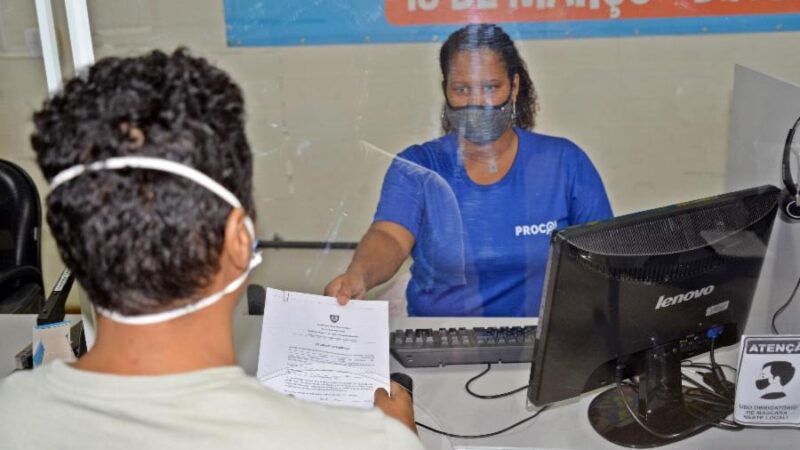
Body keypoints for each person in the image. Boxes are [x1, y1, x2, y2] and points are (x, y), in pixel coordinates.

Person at [0, 49, 422, 450]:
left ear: (74, 243)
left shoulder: (11, 413)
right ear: (239, 241)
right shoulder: (369, 442)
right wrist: (396, 436)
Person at [326, 24, 612, 317]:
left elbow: (605, 259)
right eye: (462, 89)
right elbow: (390, 237)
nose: (476, 102)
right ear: (446, 91)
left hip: (542, 344)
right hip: (441, 346)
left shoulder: (565, 162)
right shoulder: (418, 166)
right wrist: (359, 275)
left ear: (514, 87)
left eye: (490, 87)